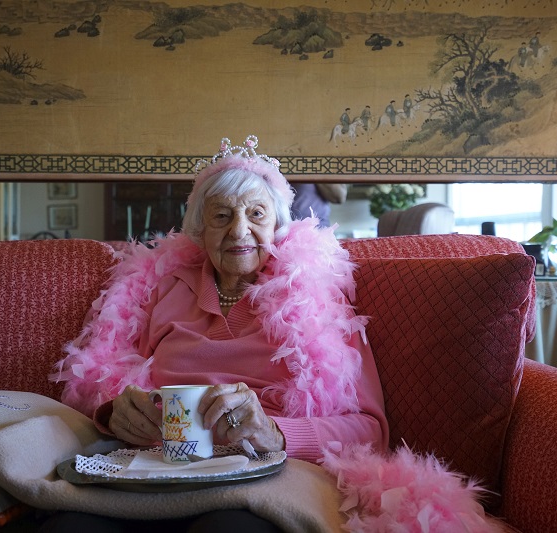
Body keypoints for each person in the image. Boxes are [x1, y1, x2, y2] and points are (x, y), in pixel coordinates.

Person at [48, 135, 388, 532]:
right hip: (157, 474)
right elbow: (103, 378)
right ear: (199, 231)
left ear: (278, 226)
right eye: (222, 216)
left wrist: (276, 433)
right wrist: (114, 413)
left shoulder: (318, 300)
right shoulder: (161, 288)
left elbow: (370, 429)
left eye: (257, 214)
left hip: (264, 481)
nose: (239, 231)